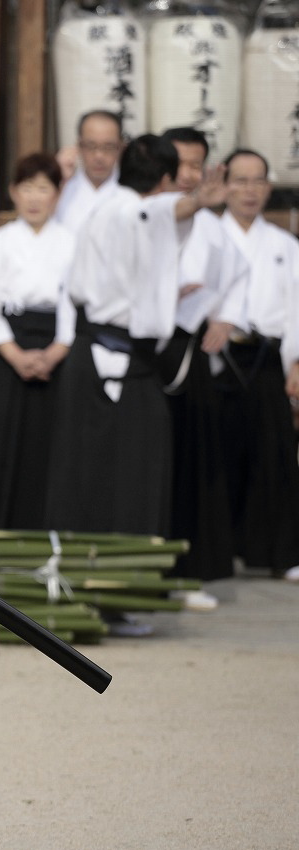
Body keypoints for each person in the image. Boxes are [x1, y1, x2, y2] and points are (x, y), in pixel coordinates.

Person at [45, 134, 226, 541]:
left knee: (88, 466)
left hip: (95, 354)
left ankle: (81, 563)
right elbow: (156, 213)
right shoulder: (132, 210)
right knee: (130, 468)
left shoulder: (103, 210)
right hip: (113, 356)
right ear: (164, 179)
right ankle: (114, 568)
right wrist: (197, 201)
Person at [157, 127, 249, 604]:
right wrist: (163, 294)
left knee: (190, 462)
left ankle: (186, 570)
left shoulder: (212, 226)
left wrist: (226, 318)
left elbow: (239, 274)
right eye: (180, 164)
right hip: (143, 353)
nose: (188, 174)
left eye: (197, 165)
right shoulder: (144, 212)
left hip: (188, 354)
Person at [0, 152, 75, 529]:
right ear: (13, 192)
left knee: (50, 443)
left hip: (56, 350)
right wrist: (14, 354)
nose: (34, 198)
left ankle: (46, 529)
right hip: (7, 349)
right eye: (27, 188)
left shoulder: (72, 243)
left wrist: (57, 351)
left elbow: (76, 302)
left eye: (43, 188)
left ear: (58, 194)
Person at [215, 149, 299, 582]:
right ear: (224, 185)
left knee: (274, 456)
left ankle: (279, 554)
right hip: (219, 355)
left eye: (258, 181)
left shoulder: (285, 245)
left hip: (267, 356)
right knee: (218, 454)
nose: (250, 191)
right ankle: (219, 551)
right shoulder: (209, 235)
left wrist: (296, 362)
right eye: (241, 180)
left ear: (269, 187)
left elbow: (296, 310)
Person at [54, 110, 123, 234]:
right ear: (79, 146)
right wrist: (58, 180)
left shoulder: (131, 192)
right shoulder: (63, 188)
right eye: (91, 146)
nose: (99, 156)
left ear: (120, 147)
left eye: (108, 147)